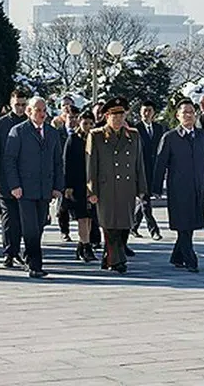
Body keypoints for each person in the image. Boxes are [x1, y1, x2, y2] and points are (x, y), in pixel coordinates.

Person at [4, 96, 64, 279]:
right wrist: (14, 185)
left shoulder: (52, 133)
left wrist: (57, 187)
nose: (42, 114)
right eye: (38, 110)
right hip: (25, 188)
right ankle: (35, 265)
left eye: (44, 110)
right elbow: (10, 160)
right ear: (29, 112)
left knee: (39, 226)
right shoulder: (18, 131)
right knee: (30, 227)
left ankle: (29, 256)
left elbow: (58, 162)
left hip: (44, 188)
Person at [86, 97, 147, 274]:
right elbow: (91, 165)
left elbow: (139, 164)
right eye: (115, 116)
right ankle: (117, 261)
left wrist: (142, 188)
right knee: (110, 226)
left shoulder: (133, 136)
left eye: (121, 116)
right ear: (106, 116)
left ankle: (109, 257)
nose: (119, 119)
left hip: (127, 188)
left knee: (124, 226)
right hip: (106, 188)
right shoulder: (96, 136)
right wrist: (92, 190)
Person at [153, 99, 204, 272]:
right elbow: (160, 163)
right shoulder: (170, 137)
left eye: (191, 112)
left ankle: (177, 256)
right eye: (185, 112)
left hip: (198, 186)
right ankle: (190, 259)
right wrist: (156, 187)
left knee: (191, 223)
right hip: (179, 188)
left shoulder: (203, 136)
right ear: (178, 116)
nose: (188, 115)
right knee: (183, 224)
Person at [0, 89, 28, 268]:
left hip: (26, 179)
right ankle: (9, 252)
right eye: (17, 105)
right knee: (9, 218)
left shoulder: (31, 124)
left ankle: (19, 250)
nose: (20, 108)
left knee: (23, 218)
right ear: (10, 104)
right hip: (4, 180)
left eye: (23, 104)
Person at [64, 110, 98, 262]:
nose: (88, 126)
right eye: (85, 123)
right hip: (77, 184)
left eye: (91, 123)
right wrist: (68, 185)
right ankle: (86, 246)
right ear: (79, 123)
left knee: (90, 217)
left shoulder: (96, 139)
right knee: (82, 217)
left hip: (92, 184)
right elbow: (67, 163)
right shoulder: (73, 139)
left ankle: (81, 245)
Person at [132, 100, 165, 240]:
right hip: (140, 170)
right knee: (145, 201)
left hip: (154, 169)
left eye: (149, 111)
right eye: (144, 110)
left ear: (154, 113)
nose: (147, 113)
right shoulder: (135, 129)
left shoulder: (159, 128)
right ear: (140, 112)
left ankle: (133, 226)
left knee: (144, 200)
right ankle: (154, 230)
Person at [55, 105, 80, 242]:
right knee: (63, 204)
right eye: (70, 117)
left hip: (77, 172)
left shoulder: (81, 133)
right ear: (64, 117)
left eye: (76, 117)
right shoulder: (57, 133)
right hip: (61, 171)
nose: (73, 120)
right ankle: (64, 231)